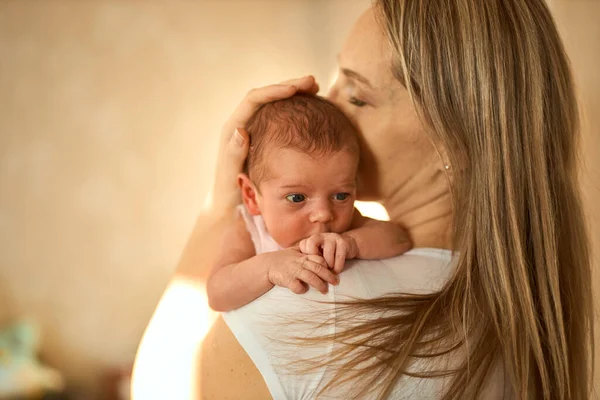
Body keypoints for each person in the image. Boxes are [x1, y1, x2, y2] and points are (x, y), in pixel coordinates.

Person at [132, 1, 594, 399]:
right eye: (336, 80)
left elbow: (160, 386)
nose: (326, 106)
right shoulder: (516, 307)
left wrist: (219, 204)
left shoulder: (310, 305)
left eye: (356, 95)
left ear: (450, 143)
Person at [207, 94, 411, 312]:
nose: (324, 214)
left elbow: (398, 238)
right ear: (250, 195)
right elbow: (217, 293)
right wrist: (268, 267)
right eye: (297, 198)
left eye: (341, 196)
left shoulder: (346, 229)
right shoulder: (249, 229)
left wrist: (353, 243)